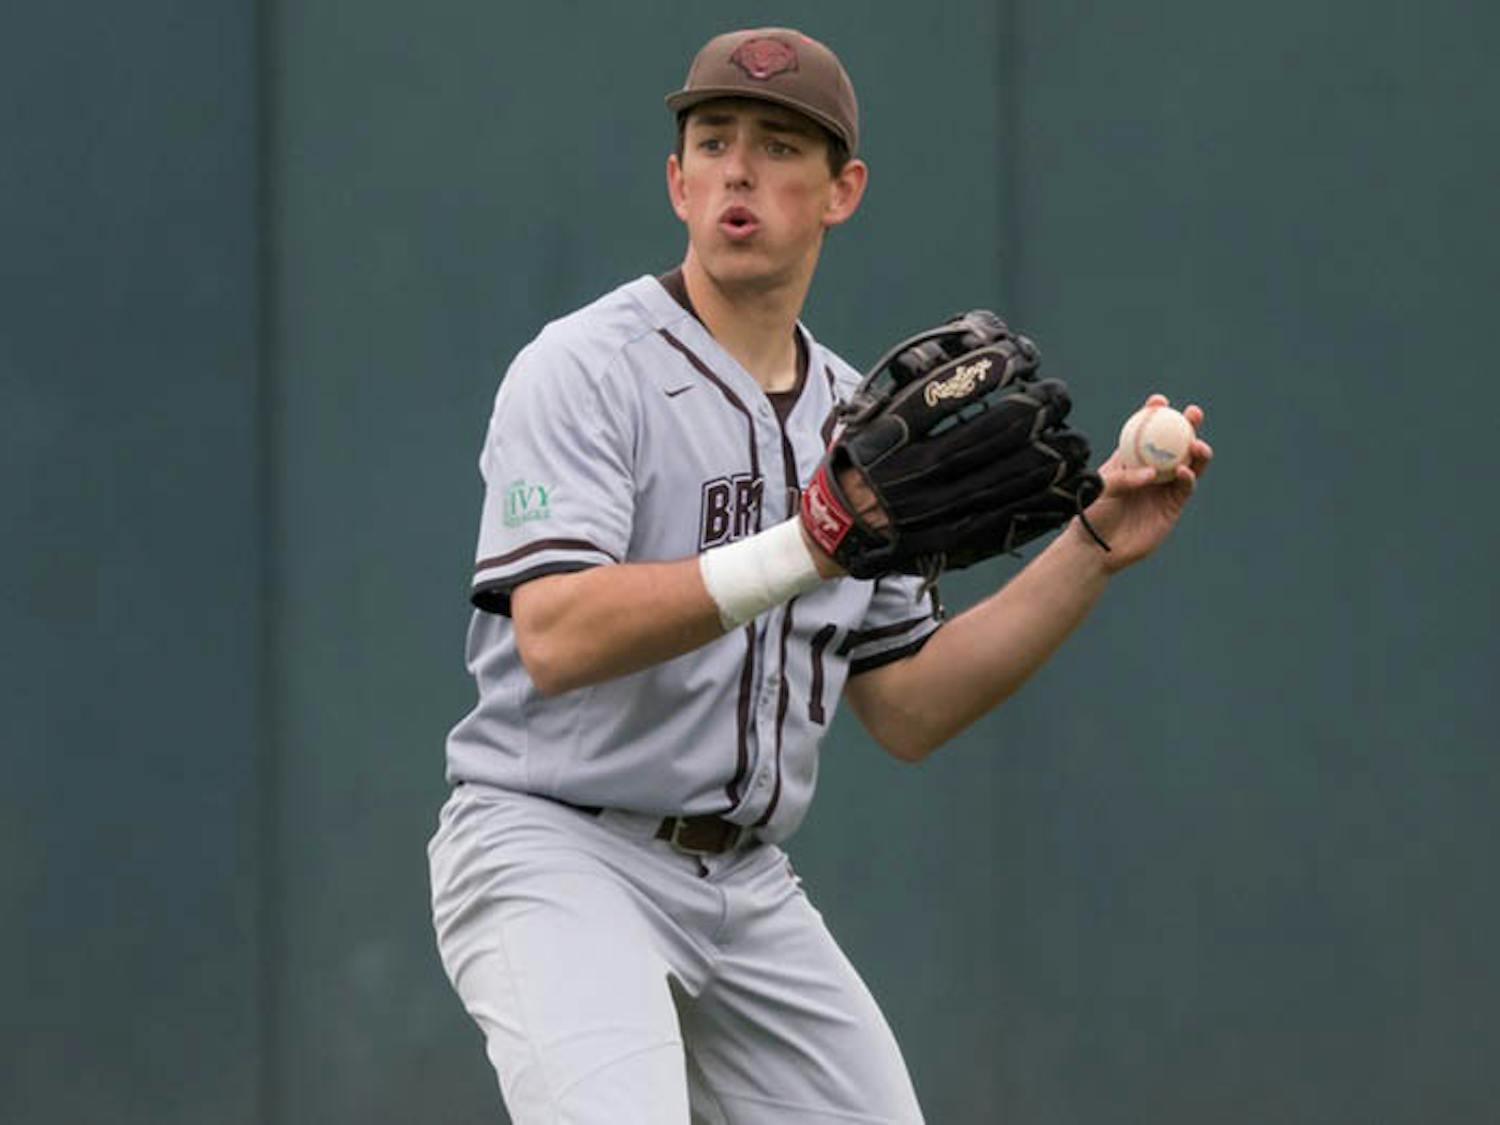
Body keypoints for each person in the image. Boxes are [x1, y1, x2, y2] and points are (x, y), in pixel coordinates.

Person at [428, 26, 1212, 1125]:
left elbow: (908, 706)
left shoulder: (862, 422)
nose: (740, 168)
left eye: (781, 145)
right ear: (678, 181)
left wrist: (1092, 550)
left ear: (842, 190)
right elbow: (554, 636)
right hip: (558, 847)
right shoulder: (585, 368)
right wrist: (809, 542)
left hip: (742, 885)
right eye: (714, 140)